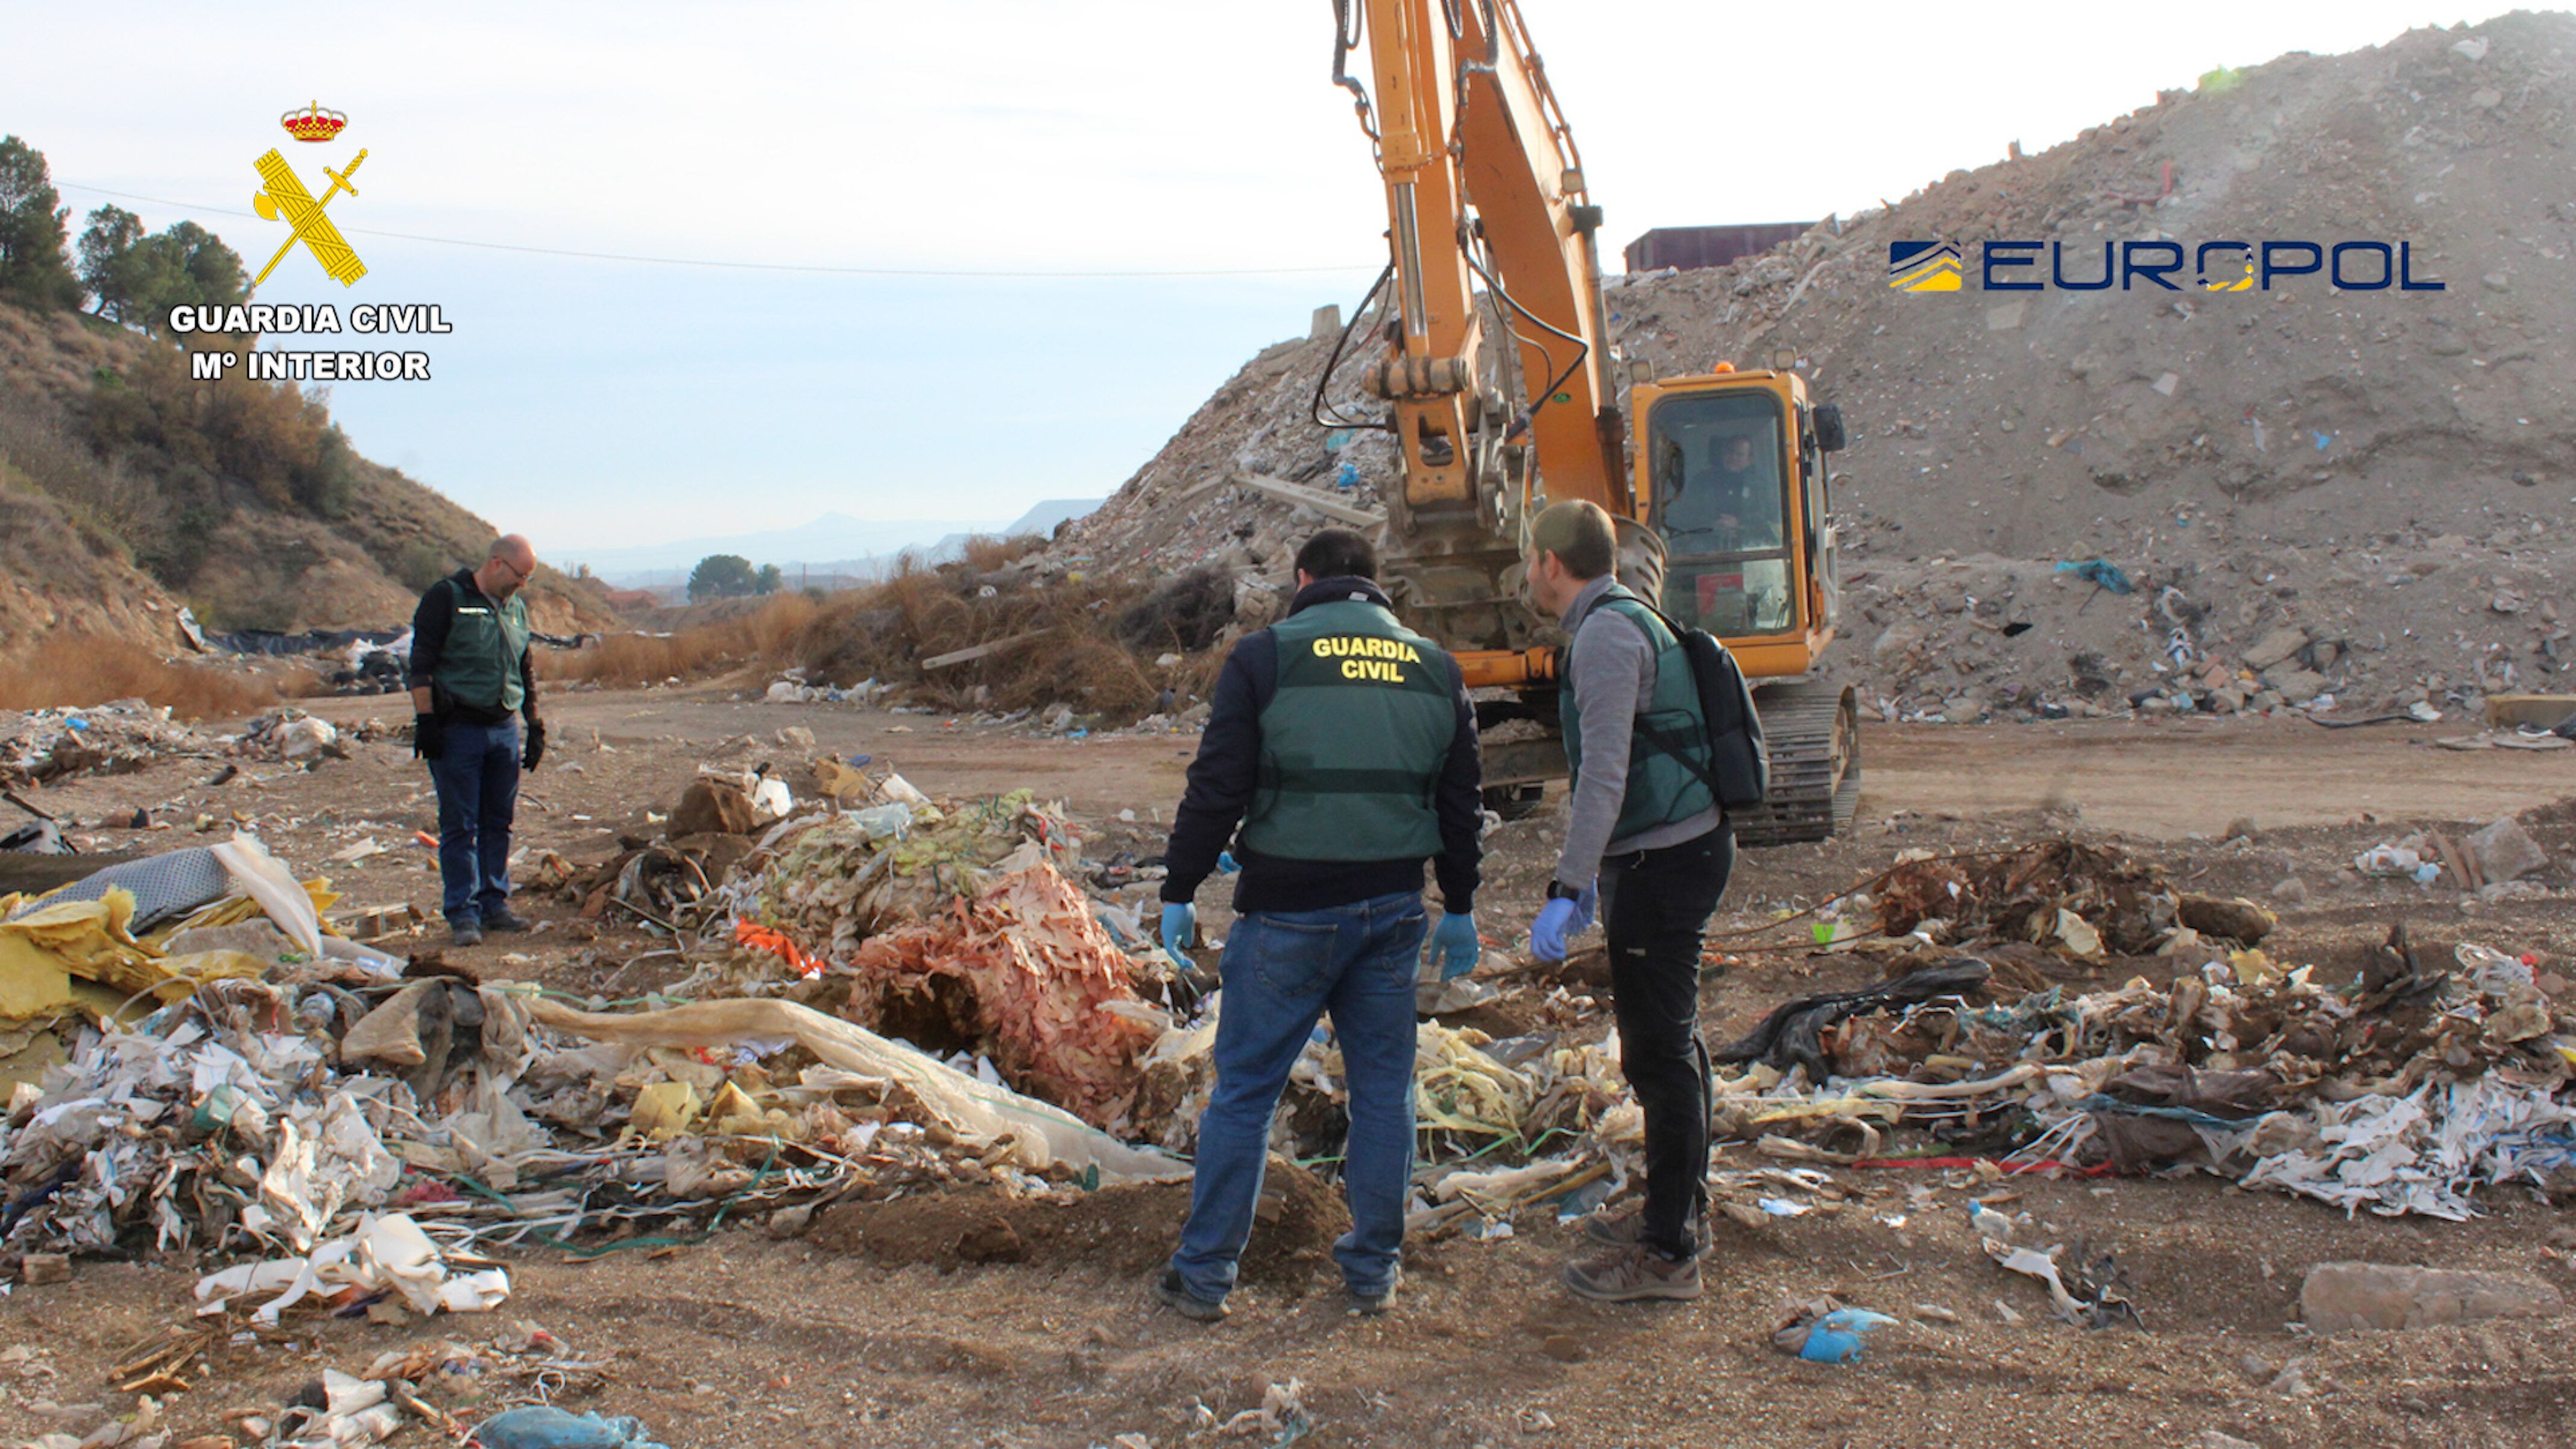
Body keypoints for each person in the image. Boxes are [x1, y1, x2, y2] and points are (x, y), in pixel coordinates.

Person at [1153, 527, 1483, 1321]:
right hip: (1394, 911)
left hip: (1289, 912)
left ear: (1304, 579)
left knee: (1245, 1095)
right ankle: (1372, 1272)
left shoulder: (1264, 657)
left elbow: (1218, 785)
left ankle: (1204, 1278)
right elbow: (1459, 805)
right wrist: (1463, 903)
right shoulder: (1437, 669)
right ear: (1375, 584)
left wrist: (1179, 883)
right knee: (1382, 1092)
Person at [1522, 499, 1732, 1302]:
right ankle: (1681, 1202)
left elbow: (1604, 773)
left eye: (1532, 559)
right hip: (1674, 850)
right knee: (1675, 1039)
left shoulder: (1606, 635)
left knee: (1657, 1054)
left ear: (1551, 561)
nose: (1530, 572)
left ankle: (1670, 1251)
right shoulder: (1628, 614)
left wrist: (1569, 883)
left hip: (1663, 862)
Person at [408, 535, 547, 947]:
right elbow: (420, 665)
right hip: (458, 730)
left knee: (498, 823)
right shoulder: (446, 598)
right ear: (496, 563)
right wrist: (426, 720)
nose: (523, 585)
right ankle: (463, 913)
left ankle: (494, 904)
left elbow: (525, 668)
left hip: (503, 729)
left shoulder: (516, 608)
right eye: (520, 576)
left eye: (529, 578)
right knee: (459, 825)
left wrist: (533, 724)